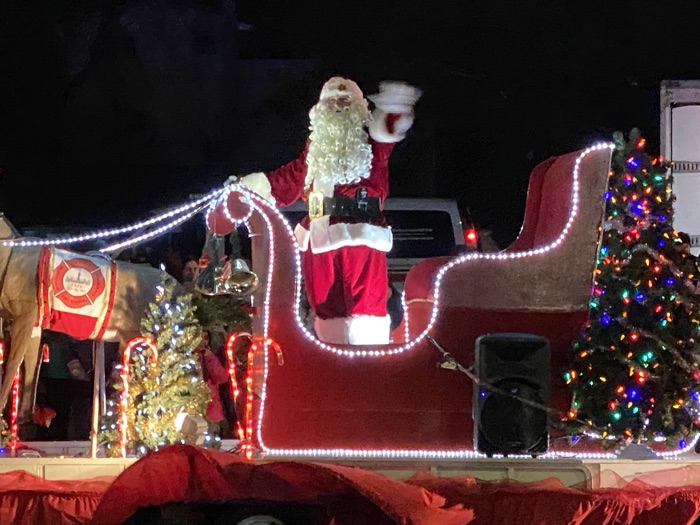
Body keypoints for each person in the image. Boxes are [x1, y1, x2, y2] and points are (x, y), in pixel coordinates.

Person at [234, 77, 421, 345]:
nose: (339, 107)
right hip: (320, 241)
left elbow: (388, 128)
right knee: (325, 306)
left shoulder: (372, 146)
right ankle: (333, 356)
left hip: (362, 239)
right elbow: (287, 180)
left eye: (346, 102)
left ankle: (368, 359)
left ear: (358, 108)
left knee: (366, 307)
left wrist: (395, 107)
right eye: (333, 101)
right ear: (321, 109)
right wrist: (246, 188)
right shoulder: (314, 151)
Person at [194, 329, 230, 436]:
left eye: (206, 338)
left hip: (213, 411)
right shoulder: (187, 359)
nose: (203, 341)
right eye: (200, 338)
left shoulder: (209, 356)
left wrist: (210, 358)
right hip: (195, 410)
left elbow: (222, 378)